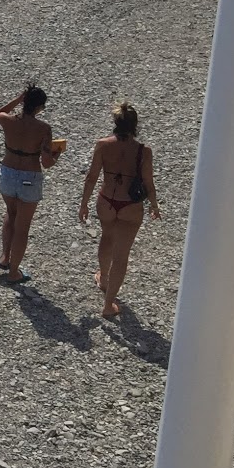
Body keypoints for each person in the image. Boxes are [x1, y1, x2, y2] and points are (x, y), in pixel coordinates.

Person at [79, 101, 161, 318]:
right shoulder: (144, 151)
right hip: (130, 205)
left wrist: (84, 203)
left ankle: (104, 278)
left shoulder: (103, 145)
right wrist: (154, 204)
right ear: (135, 125)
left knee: (106, 237)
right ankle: (108, 305)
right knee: (122, 254)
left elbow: (91, 177)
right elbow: (148, 182)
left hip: (107, 199)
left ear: (115, 123)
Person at [0, 83, 57, 285]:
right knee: (23, 226)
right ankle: (14, 272)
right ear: (39, 107)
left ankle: (4, 257)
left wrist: (17, 100)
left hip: (8, 171)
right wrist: (55, 154)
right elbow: (46, 163)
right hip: (29, 175)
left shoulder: (8, 121)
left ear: (24, 102)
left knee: (10, 213)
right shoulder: (43, 129)